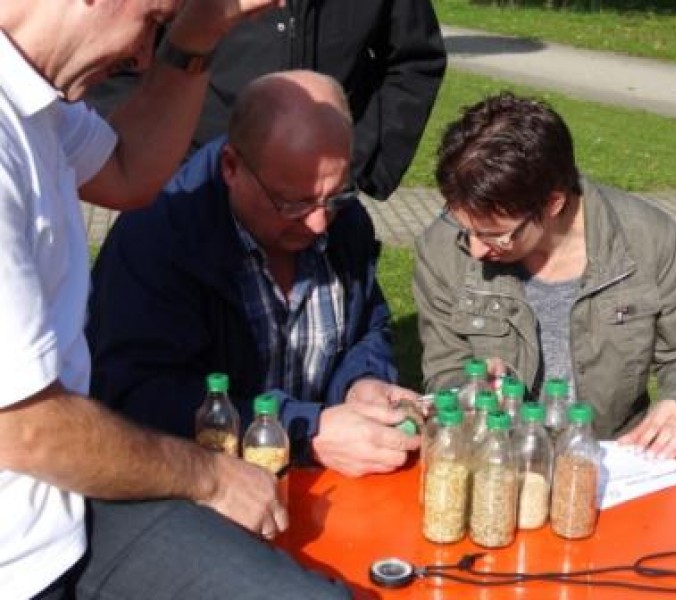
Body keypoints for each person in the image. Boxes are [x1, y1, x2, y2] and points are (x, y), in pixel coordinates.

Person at [0, 2, 351, 599]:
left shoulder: (32, 93)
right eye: (152, 21)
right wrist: (210, 475)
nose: (143, 57)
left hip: (63, 503)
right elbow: (25, 428)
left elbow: (130, 169)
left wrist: (199, 31)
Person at [87, 70, 422, 479]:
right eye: (292, 203)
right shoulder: (158, 240)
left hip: (321, 484)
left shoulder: (344, 220)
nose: (319, 223)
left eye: (334, 196)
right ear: (232, 167)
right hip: (198, 489)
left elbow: (368, 325)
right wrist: (303, 430)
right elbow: (139, 397)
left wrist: (362, 382)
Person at [413, 93, 676, 460]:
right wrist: (470, 390)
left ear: (553, 203)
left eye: (495, 235)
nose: (476, 250)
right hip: (497, 459)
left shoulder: (649, 239)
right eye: (466, 228)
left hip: (611, 458)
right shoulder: (440, 248)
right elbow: (445, 367)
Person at [85, 0, 447, 201]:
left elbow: (415, 61)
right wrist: (161, 165)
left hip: (319, 205)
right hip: (193, 187)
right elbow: (115, 58)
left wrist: (357, 162)